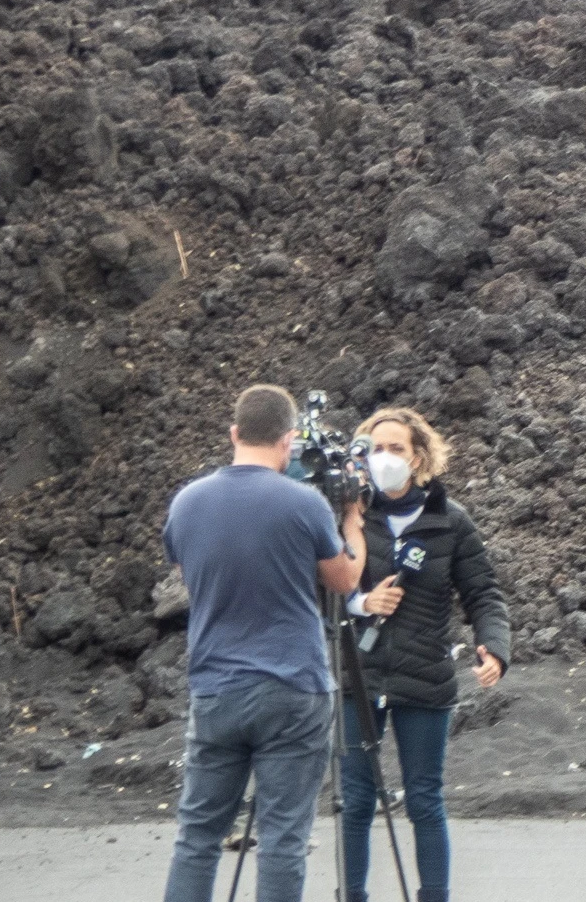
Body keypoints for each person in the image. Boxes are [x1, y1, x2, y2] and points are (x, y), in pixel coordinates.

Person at [162, 385, 366, 902]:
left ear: (234, 433)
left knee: (198, 837)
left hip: (216, 688)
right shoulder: (304, 503)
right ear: (288, 441)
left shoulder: (187, 502)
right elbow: (343, 581)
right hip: (292, 686)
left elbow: (190, 574)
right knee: (282, 840)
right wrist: (353, 525)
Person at [341, 407, 512, 902]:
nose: (385, 458)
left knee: (424, 800)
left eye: (396, 448)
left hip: (426, 678)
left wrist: (494, 648)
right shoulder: (350, 518)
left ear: (418, 457)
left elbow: (484, 594)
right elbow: (320, 589)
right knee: (355, 802)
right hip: (360, 674)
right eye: (376, 448)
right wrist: (361, 602)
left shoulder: (450, 522)